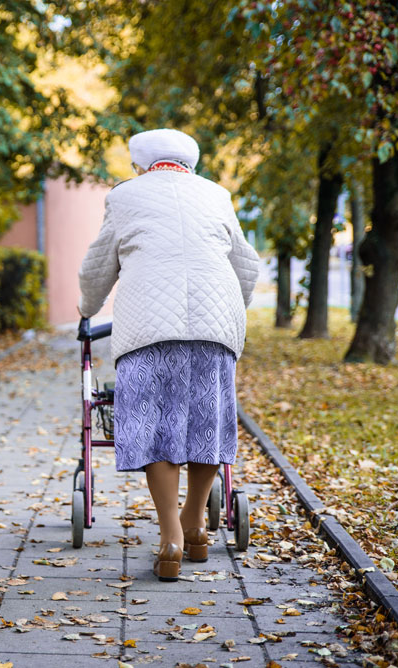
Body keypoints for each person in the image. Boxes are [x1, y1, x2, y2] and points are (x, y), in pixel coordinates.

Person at [77, 129, 260, 581]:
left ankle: (171, 538)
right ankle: (196, 525)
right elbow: (248, 266)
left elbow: (98, 265)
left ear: (140, 164)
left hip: (147, 329)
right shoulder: (217, 194)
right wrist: (231, 308)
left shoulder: (125, 196)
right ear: (190, 162)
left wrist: (86, 309)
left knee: (154, 429)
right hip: (215, 327)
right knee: (206, 423)